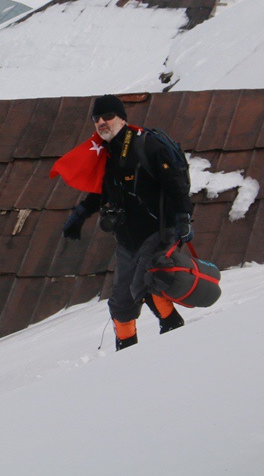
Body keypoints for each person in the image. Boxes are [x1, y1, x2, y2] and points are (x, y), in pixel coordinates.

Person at [57, 95, 193, 351]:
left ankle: (175, 334)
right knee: (121, 301)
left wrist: (183, 218)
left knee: (147, 284)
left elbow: (175, 184)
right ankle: (126, 353)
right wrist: (80, 215)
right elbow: (103, 191)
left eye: (108, 116)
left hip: (156, 231)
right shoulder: (107, 152)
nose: (101, 122)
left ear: (122, 118)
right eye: (96, 118)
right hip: (127, 238)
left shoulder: (147, 145)